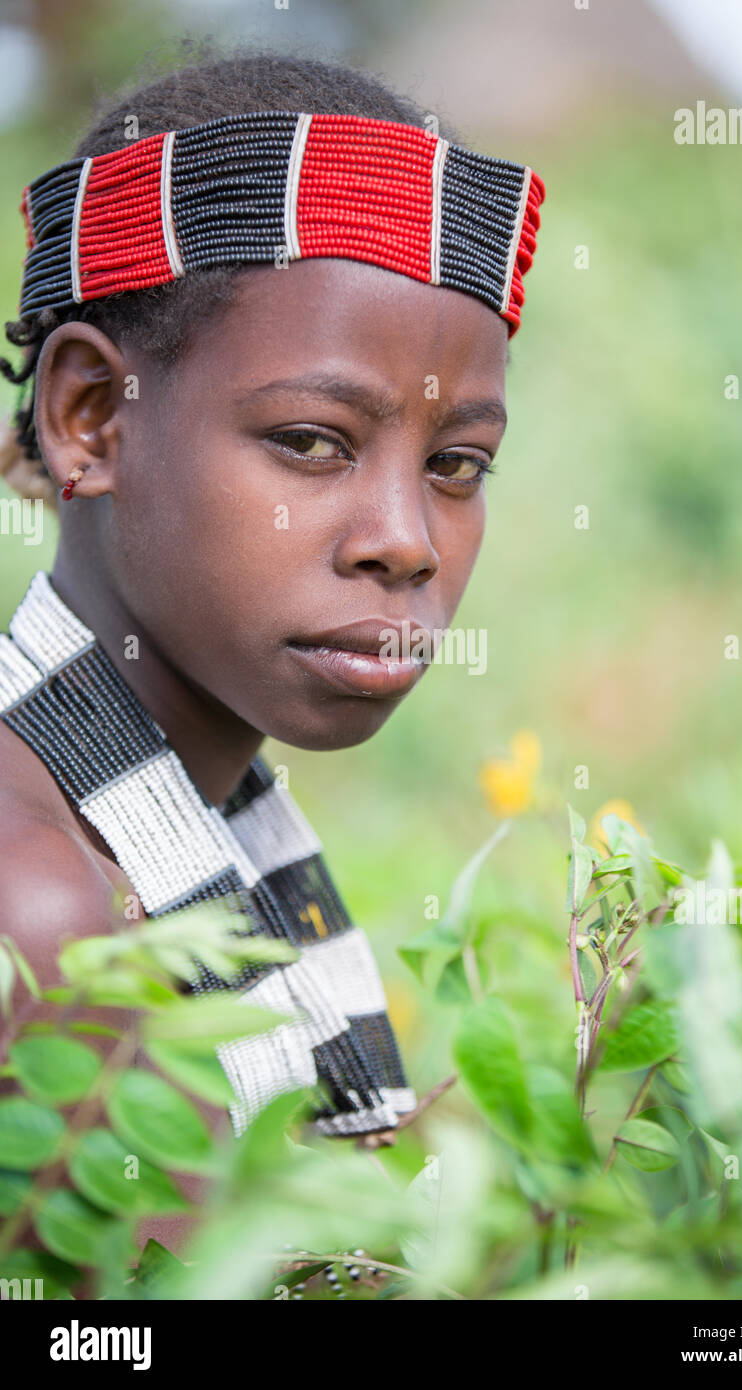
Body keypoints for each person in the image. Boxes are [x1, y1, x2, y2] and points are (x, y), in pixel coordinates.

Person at [0, 46, 544, 1255]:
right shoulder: (41, 915)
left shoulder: (209, 837)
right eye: (311, 440)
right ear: (91, 416)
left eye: (455, 463)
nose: (405, 542)